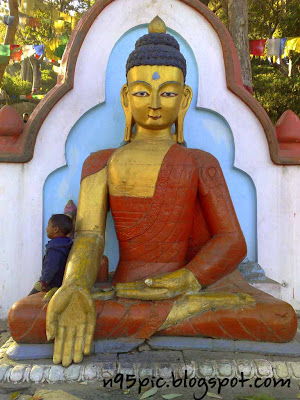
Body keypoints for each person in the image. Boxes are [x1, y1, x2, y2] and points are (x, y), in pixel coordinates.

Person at [8, 17, 297, 368]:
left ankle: (184, 307)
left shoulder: (199, 162)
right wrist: (74, 287)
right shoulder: (100, 162)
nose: (156, 103)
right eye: (143, 92)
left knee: (280, 318)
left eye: (169, 92)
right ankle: (182, 315)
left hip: (187, 284)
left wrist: (187, 280)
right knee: (23, 316)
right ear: (126, 98)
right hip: (123, 290)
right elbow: (88, 236)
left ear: (184, 99)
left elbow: (232, 240)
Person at [28, 214, 73, 296]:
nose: (46, 229)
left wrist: (44, 282)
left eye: (48, 226)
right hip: (61, 282)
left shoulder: (55, 248)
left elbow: (51, 266)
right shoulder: (65, 244)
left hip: (52, 284)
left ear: (55, 229)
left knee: (27, 302)